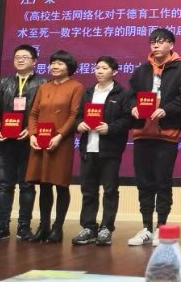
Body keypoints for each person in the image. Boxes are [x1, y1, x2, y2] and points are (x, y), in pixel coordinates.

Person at [127, 28, 181, 246]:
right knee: (144, 182)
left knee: (163, 182)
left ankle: (161, 227)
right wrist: (133, 107)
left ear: (171, 45)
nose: (155, 45)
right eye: (153, 41)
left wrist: (166, 109)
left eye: (161, 41)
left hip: (166, 134)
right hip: (142, 133)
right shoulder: (142, 69)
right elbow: (130, 96)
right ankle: (146, 227)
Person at [0, 44, 47, 242]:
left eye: (25, 57)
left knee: (27, 186)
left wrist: (31, 130)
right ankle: (1, 226)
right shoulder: (5, 82)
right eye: (17, 56)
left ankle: (24, 227)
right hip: (6, 142)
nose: (20, 59)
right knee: (4, 185)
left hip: (29, 142)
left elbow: (44, 113)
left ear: (34, 61)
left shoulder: (42, 83)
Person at [71, 56, 133, 246]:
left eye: (104, 68)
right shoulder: (88, 92)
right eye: (97, 68)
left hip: (110, 149)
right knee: (88, 190)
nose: (99, 71)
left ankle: (106, 227)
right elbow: (77, 116)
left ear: (114, 72)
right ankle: (89, 227)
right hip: (88, 147)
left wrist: (110, 128)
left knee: (110, 190)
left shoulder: (122, 94)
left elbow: (127, 120)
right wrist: (79, 124)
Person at [26, 50, 84, 244]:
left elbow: (74, 114)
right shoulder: (44, 87)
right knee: (44, 185)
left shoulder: (76, 86)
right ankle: (43, 226)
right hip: (40, 142)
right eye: (53, 63)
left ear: (69, 67)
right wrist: (32, 135)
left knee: (60, 185)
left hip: (61, 143)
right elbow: (33, 113)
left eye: (60, 63)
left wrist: (59, 135)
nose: (55, 66)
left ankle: (57, 227)